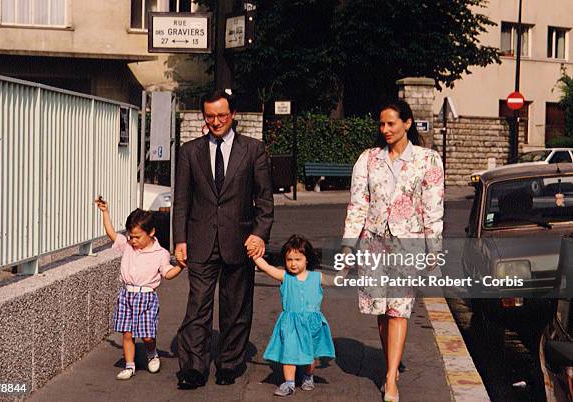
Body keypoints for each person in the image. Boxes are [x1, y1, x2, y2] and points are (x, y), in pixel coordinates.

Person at [341, 100, 444, 402]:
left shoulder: (428, 160)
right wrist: (348, 244)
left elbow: (432, 209)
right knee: (382, 313)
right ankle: (391, 364)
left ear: (407, 123)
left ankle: (390, 378)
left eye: (391, 123)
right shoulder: (369, 159)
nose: (384, 129)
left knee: (398, 311)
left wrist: (433, 250)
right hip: (372, 244)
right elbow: (357, 204)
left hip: (407, 244)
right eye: (382, 124)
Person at [173, 89, 274, 389]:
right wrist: (180, 240)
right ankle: (193, 368)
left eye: (221, 115)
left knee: (236, 307)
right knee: (197, 307)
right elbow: (182, 201)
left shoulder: (253, 150)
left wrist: (259, 234)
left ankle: (229, 363)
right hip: (200, 240)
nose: (215, 121)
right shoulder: (190, 152)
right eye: (210, 116)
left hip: (239, 241)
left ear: (233, 115)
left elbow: (265, 201)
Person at [94, 198, 184, 380]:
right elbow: (112, 233)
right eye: (130, 236)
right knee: (127, 333)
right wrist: (105, 213)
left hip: (147, 298)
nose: (133, 240)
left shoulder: (160, 254)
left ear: (151, 232)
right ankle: (130, 365)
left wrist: (181, 267)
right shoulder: (127, 246)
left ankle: (152, 353)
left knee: (147, 335)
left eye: (137, 237)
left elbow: (167, 273)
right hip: (126, 295)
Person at [252, 235, 336, 397]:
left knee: (310, 356)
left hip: (312, 323)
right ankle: (289, 382)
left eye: (298, 259)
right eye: (289, 259)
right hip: (290, 322)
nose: (293, 263)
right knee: (289, 352)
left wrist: (346, 268)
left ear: (307, 259)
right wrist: (255, 255)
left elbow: (336, 281)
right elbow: (268, 268)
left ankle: (308, 375)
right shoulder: (285, 277)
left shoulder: (316, 277)